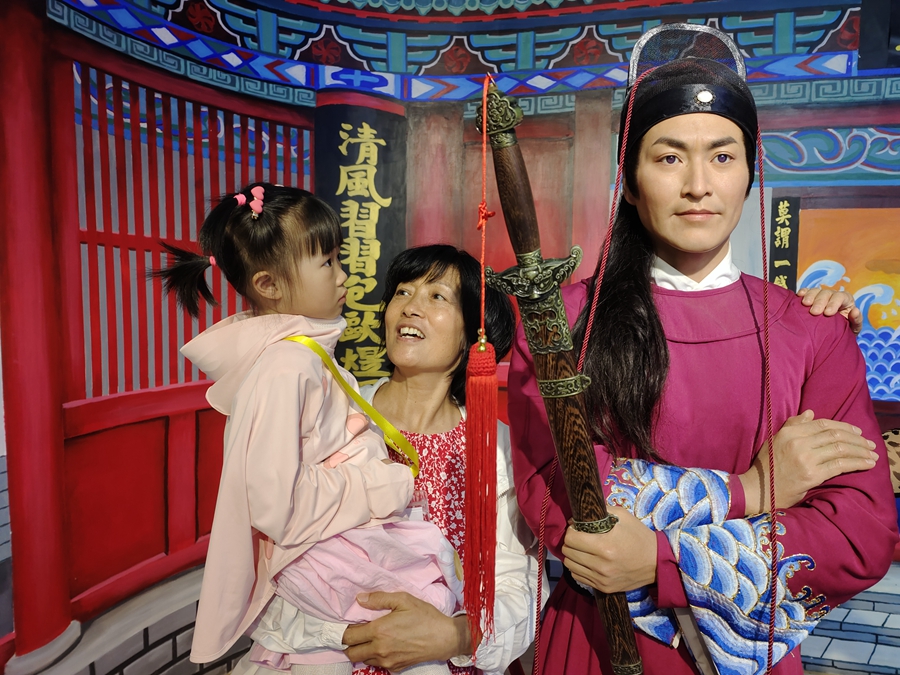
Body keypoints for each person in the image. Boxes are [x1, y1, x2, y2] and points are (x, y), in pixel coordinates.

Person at [507, 25, 899, 675]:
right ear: (630, 180)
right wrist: (753, 489)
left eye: (722, 156)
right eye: (668, 158)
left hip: (754, 655)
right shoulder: (561, 322)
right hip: (601, 643)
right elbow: (565, 496)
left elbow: (859, 533)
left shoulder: (813, 331)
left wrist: (665, 559)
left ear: (749, 173)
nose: (698, 184)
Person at [157, 184, 465, 675]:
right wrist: (383, 484)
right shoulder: (289, 365)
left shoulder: (302, 358)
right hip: (329, 557)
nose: (343, 276)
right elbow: (276, 503)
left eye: (339, 259)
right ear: (269, 284)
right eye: (327, 263)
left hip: (331, 550)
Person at [231, 244, 541, 675]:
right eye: (402, 292)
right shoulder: (335, 412)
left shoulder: (497, 449)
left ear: (475, 333)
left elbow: (516, 584)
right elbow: (278, 525)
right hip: (326, 652)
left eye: (437, 296)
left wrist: (454, 635)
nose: (411, 307)